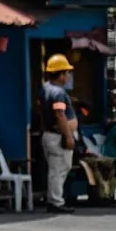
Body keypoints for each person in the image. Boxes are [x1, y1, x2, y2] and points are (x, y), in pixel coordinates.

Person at [41, 54, 79, 214]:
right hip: (58, 136)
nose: (68, 76)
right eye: (66, 73)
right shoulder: (58, 93)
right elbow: (60, 114)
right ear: (61, 74)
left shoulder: (46, 88)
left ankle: (54, 199)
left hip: (51, 135)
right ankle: (56, 202)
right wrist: (68, 136)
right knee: (58, 169)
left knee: (58, 168)